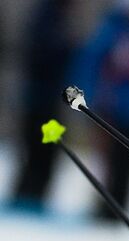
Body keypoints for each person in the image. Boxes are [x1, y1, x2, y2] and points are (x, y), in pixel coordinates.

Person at [72, 0, 129, 220]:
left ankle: (120, 212)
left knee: (128, 168)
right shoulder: (110, 30)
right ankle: (105, 211)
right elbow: (90, 67)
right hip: (112, 111)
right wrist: (87, 102)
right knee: (109, 166)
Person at [8, 0, 78, 212]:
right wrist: (67, 48)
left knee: (49, 152)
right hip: (40, 102)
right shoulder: (46, 16)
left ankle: (35, 198)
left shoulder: (57, 16)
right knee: (37, 152)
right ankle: (26, 198)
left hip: (50, 102)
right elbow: (40, 54)